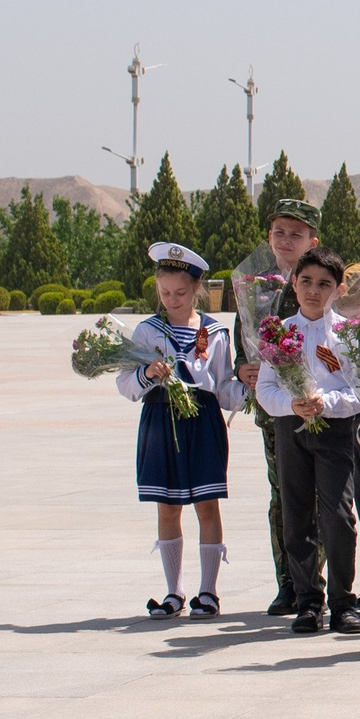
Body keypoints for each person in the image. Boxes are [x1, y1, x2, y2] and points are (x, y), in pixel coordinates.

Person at [124, 242, 249, 619]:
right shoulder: (147, 331)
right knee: (167, 507)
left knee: (207, 505)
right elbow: (125, 384)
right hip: (160, 421)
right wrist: (147, 373)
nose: (172, 300)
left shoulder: (215, 332)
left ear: (197, 289)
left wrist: (251, 387)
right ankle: (173, 592)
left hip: (203, 422)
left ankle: (208, 592)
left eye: (180, 293)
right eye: (165, 293)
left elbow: (223, 388)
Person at [257, 248, 360, 638]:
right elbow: (265, 389)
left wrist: (327, 403)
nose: (313, 291)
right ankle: (307, 601)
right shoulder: (279, 332)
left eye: (324, 284)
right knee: (296, 514)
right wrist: (292, 404)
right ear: (293, 283)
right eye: (305, 281)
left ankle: (343, 602)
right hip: (292, 429)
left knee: (338, 516)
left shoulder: (346, 334)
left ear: (338, 290)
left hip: (334, 432)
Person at [231, 199, 319, 615]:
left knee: (323, 497)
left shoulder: (321, 282)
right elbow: (242, 339)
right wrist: (243, 369)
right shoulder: (256, 287)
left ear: (312, 241)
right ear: (269, 237)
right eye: (279, 232)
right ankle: (289, 582)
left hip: (319, 408)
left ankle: (319, 583)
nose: (285, 240)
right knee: (283, 497)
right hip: (276, 411)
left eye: (295, 234)